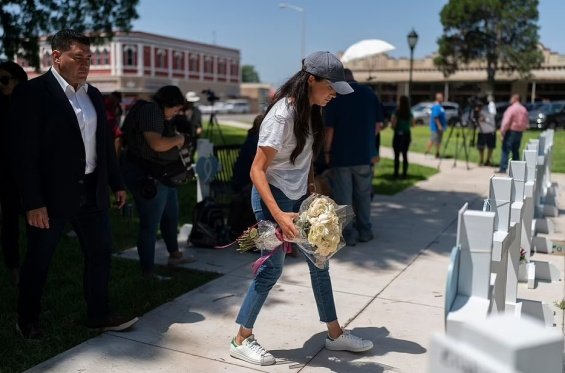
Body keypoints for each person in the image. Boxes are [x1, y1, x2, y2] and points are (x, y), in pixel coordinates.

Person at [229, 51, 373, 367]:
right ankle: (241, 339)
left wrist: (311, 191)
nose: (334, 94)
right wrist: (278, 215)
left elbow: (303, 156)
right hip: (271, 201)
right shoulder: (282, 116)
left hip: (296, 199)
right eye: (331, 87)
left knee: (320, 262)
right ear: (312, 80)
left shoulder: (311, 110)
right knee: (271, 268)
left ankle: (334, 334)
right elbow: (257, 170)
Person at [8, 29, 138, 339]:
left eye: (89, 59)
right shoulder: (32, 94)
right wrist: (33, 202)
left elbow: (104, 142)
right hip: (50, 198)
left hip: (92, 191)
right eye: (78, 58)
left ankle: (98, 314)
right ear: (56, 57)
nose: (86, 64)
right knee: (39, 259)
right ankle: (27, 318)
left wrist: (117, 182)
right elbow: (22, 155)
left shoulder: (92, 94)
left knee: (100, 253)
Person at [120, 85, 195, 279]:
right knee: (150, 225)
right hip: (148, 176)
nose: (177, 113)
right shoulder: (151, 110)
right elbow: (157, 143)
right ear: (168, 103)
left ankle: (174, 255)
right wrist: (179, 139)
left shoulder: (157, 112)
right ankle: (148, 272)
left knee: (171, 215)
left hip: (162, 175)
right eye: (177, 108)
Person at [324, 68, 381, 246]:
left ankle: (349, 234)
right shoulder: (369, 94)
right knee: (364, 196)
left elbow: (329, 129)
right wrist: (369, 143)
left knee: (344, 197)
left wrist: (326, 152)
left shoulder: (336, 95)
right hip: (364, 154)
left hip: (341, 155)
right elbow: (378, 125)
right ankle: (365, 230)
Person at [0, 61, 28, 286]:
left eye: (4, 79)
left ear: (18, 80)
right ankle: (14, 272)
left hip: (27, 176)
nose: (1, 85)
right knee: (9, 226)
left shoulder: (30, 107)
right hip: (5, 177)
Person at [228, 114, 263, 239]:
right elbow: (260, 167)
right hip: (244, 184)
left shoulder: (254, 139)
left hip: (245, 181)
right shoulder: (255, 142)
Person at [498, 94, 528, 173]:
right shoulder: (523, 109)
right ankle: (517, 169)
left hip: (511, 131)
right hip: (519, 132)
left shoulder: (511, 109)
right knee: (516, 150)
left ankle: (503, 168)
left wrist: (502, 131)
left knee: (505, 150)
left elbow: (506, 121)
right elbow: (526, 122)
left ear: (515, 99)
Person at [391, 95, 414, 179]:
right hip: (407, 134)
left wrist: (394, 127)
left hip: (398, 134)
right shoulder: (409, 112)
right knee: (405, 154)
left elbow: (393, 123)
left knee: (396, 155)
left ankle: (396, 173)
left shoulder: (397, 112)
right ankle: (404, 174)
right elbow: (412, 124)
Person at [473, 100, 496, 166]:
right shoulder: (476, 112)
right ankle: (481, 160)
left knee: (490, 146)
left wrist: (485, 119)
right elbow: (474, 119)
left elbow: (491, 117)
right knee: (480, 147)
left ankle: (488, 160)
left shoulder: (489, 109)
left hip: (490, 130)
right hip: (481, 131)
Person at [424, 92, 447, 158]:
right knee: (433, 139)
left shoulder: (440, 106)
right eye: (442, 97)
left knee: (438, 141)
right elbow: (435, 117)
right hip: (436, 127)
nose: (443, 98)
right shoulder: (436, 106)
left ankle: (437, 153)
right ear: (438, 98)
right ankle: (427, 151)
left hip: (440, 127)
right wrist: (439, 126)